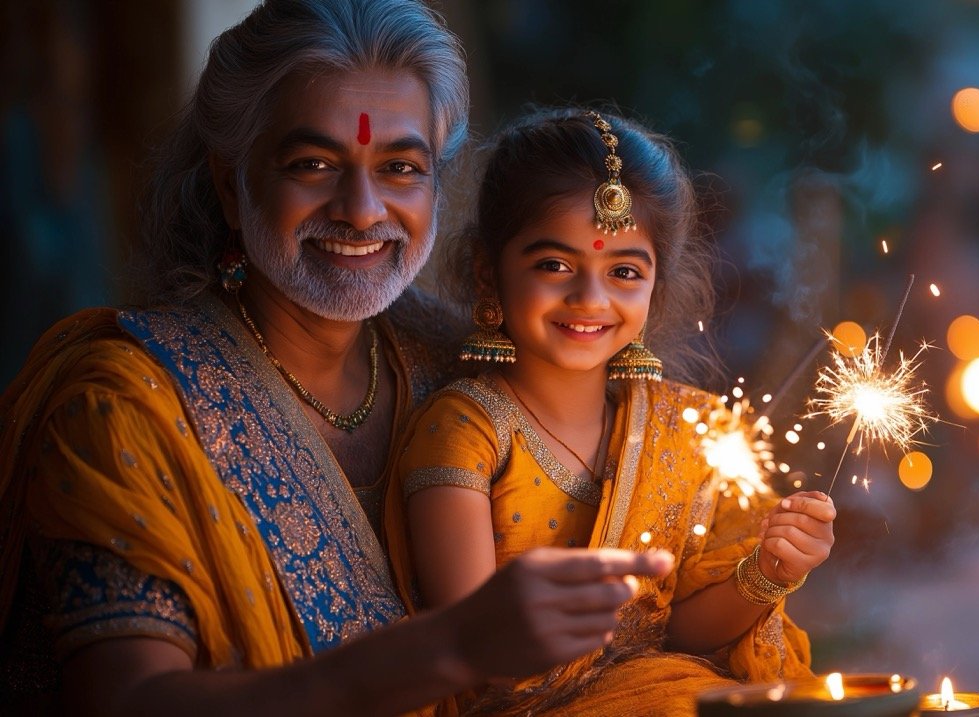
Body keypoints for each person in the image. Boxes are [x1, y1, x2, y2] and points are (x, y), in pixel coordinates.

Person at [0, 2, 673, 715]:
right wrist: (450, 648)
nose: (360, 209)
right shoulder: (123, 406)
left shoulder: (461, 370)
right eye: (314, 164)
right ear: (232, 184)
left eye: (400, 167)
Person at [385, 108, 838, 716]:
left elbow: (682, 634)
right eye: (555, 265)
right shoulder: (465, 431)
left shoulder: (684, 435)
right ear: (488, 272)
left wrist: (769, 571)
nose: (589, 299)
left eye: (624, 271)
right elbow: (475, 649)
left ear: (656, 285)